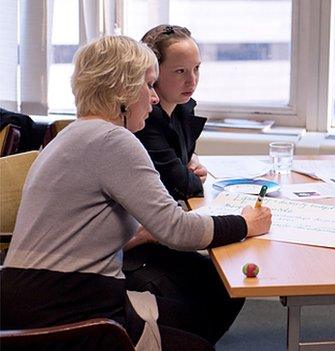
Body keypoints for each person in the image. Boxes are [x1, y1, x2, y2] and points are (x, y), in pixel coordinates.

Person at [0, 35, 272, 351]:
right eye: (148, 85)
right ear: (122, 93)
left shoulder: (72, 135)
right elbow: (179, 231)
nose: (154, 98)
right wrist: (247, 223)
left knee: (198, 316)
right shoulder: (114, 141)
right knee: (199, 342)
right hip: (69, 306)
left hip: (35, 296)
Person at [122, 24, 242, 346]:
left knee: (225, 284)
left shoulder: (180, 109)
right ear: (152, 73)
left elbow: (184, 172)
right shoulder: (140, 124)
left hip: (150, 235)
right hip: (130, 253)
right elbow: (186, 186)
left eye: (197, 69)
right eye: (180, 72)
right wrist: (245, 224)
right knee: (217, 285)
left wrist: (188, 167)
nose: (192, 81)